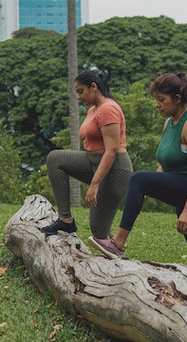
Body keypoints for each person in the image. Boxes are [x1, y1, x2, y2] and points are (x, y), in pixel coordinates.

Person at [88, 72, 187, 279]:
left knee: (137, 178)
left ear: (177, 99)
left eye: (162, 100)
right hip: (185, 185)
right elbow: (166, 165)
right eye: (156, 100)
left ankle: (117, 244)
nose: (157, 105)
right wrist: (147, 189)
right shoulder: (169, 123)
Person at [40, 70, 133, 240]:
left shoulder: (109, 109)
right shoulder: (93, 110)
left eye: (80, 91)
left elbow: (111, 151)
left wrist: (94, 184)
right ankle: (65, 220)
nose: (78, 97)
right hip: (92, 161)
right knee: (55, 159)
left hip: (115, 170)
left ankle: (120, 257)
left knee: (99, 230)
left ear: (93, 87)